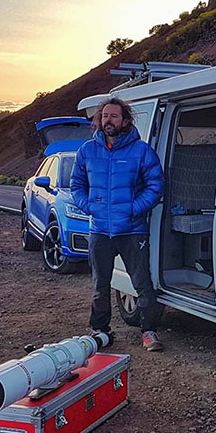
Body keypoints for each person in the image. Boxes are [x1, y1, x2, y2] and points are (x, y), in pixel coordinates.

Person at [70, 97, 165, 351]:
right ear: (99, 120)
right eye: (104, 116)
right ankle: (99, 331)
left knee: (142, 284)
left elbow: (156, 186)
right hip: (100, 230)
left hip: (132, 230)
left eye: (114, 116)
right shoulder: (87, 151)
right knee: (100, 285)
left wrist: (133, 209)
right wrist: (91, 207)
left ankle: (149, 332)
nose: (108, 120)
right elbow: (77, 186)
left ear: (124, 120)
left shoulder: (141, 151)